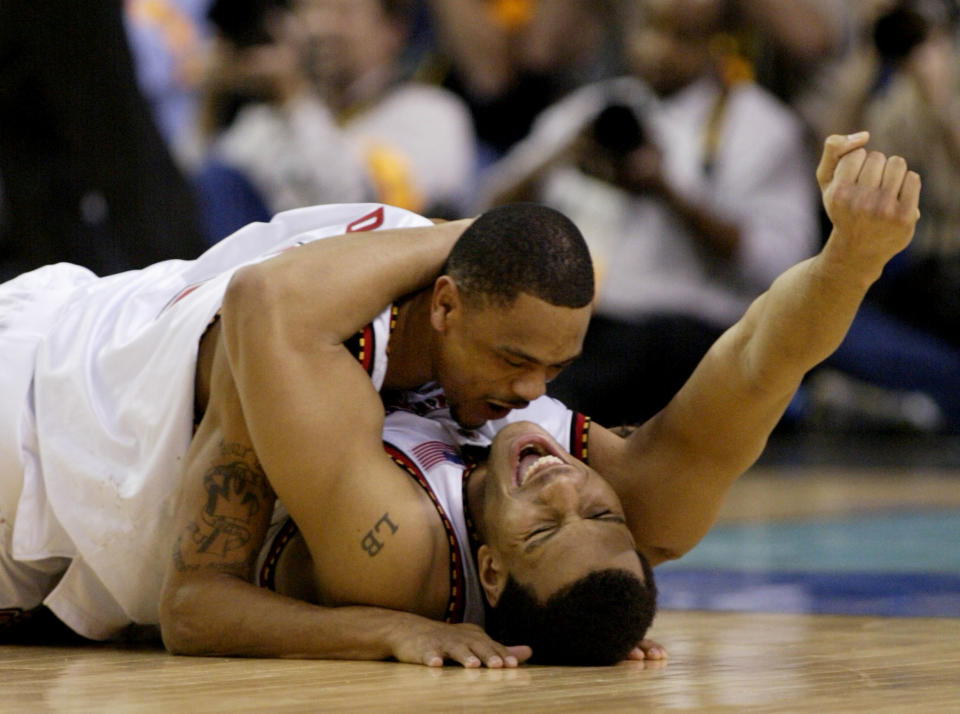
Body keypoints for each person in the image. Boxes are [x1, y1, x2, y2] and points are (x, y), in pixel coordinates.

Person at [2, 133, 921, 665]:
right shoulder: (586, 487)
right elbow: (758, 364)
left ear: (488, 572)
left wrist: (479, 236)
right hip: (92, 318)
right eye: (596, 504)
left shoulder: (400, 543)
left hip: (38, 431)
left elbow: (267, 303)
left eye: (546, 529)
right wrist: (853, 259)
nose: (563, 480)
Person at [481, 0, 820, 426]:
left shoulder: (763, 129)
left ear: (720, 45)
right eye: (650, 30)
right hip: (586, 324)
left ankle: (534, 424)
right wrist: (560, 160)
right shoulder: (597, 109)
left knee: (633, 354)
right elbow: (486, 211)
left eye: (681, 36)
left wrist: (668, 193)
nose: (657, 49)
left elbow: (784, 266)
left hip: (691, 333)